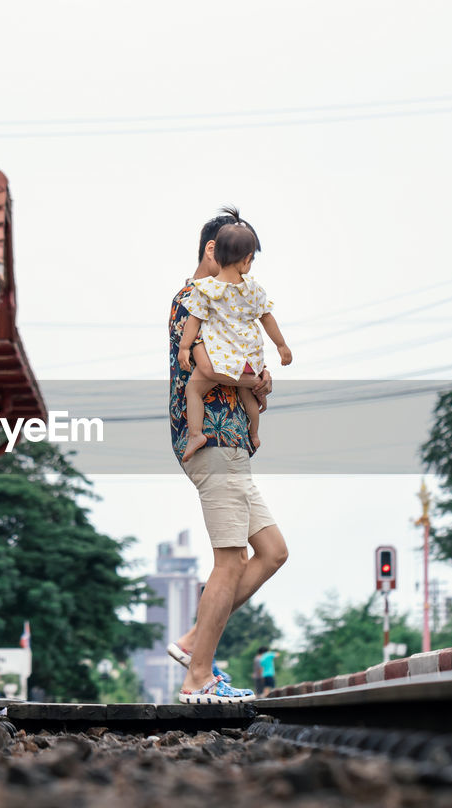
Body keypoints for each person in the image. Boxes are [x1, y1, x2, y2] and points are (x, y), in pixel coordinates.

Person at [168, 209, 289, 705]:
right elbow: (206, 365)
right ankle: (198, 677)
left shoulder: (237, 301)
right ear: (212, 251)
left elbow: (247, 351)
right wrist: (250, 380)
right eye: (238, 256)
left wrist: (260, 375)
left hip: (234, 442)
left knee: (272, 551)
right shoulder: (190, 299)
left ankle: (194, 641)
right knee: (230, 559)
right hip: (212, 440)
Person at [178, 209, 292, 460]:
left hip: (229, 435)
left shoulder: (206, 291)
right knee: (244, 392)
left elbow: (197, 324)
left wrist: (185, 347)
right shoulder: (248, 290)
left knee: (194, 390)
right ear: (247, 259)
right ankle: (254, 433)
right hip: (218, 439)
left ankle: (203, 433)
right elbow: (266, 317)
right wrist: (276, 352)